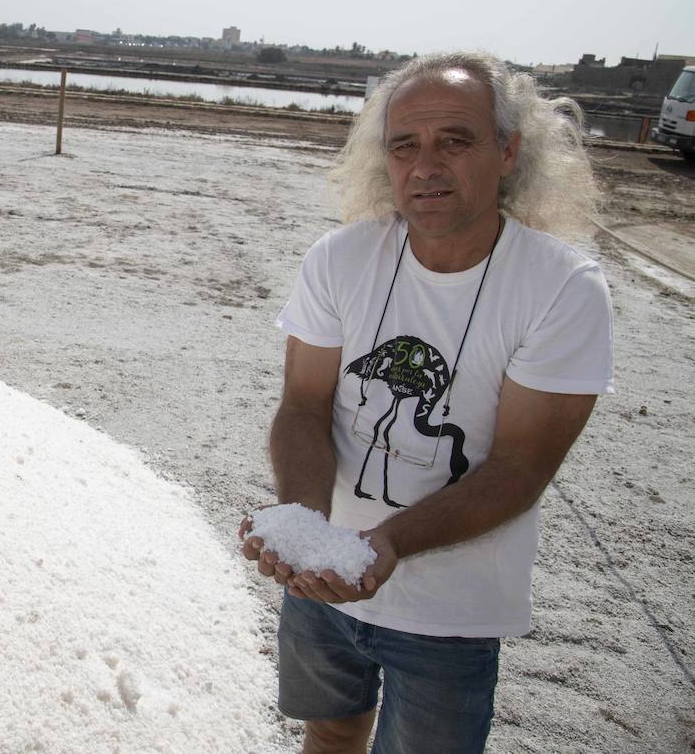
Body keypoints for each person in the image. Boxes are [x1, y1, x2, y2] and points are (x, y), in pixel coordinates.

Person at [239, 51, 614, 754]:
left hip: (452, 610)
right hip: (326, 583)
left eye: (455, 140)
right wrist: (304, 526)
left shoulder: (562, 290)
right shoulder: (340, 259)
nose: (425, 165)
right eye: (404, 145)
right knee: (328, 729)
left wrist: (387, 545)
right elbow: (303, 408)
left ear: (508, 152)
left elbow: (517, 470)